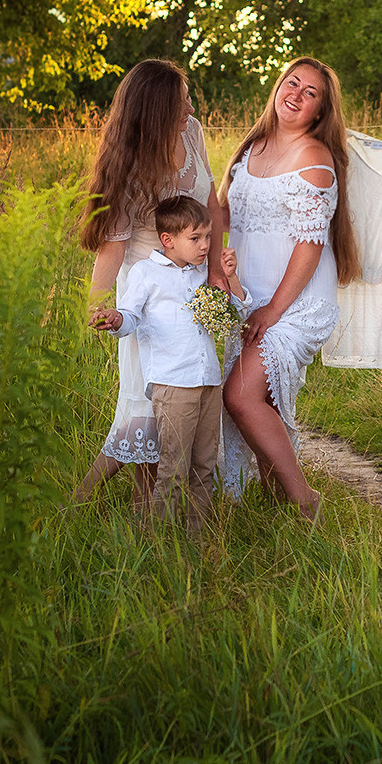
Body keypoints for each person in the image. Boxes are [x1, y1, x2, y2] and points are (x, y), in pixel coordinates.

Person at [215, 58, 360, 521]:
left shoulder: (313, 158)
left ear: (320, 111)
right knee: (258, 399)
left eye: (310, 92)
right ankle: (276, 501)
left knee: (239, 395)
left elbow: (309, 247)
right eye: (291, 83)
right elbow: (222, 212)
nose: (295, 94)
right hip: (246, 295)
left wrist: (272, 311)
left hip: (295, 302)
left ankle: (305, 501)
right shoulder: (251, 147)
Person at [70, 59, 214, 507]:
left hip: (195, 282)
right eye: (182, 97)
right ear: (156, 109)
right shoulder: (128, 168)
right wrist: (96, 308)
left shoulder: (191, 131)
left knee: (190, 390)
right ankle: (81, 498)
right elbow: (111, 249)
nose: (190, 104)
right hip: (149, 292)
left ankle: (147, 501)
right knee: (145, 400)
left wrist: (220, 276)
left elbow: (209, 205)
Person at [89, 195, 253, 530]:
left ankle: (198, 539)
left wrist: (230, 277)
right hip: (173, 384)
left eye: (208, 236)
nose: (206, 245)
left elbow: (237, 316)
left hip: (207, 382)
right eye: (196, 238)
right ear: (168, 240)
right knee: (174, 468)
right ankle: (161, 542)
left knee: (204, 466)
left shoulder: (202, 275)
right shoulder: (146, 273)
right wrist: (116, 318)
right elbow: (132, 316)